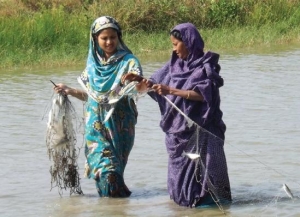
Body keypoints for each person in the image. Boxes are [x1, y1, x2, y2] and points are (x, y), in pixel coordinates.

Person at [122, 23, 231, 207]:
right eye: (172, 44)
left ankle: (211, 208)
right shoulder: (172, 66)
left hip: (203, 132)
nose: (174, 49)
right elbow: (155, 85)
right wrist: (140, 79)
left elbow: (204, 96)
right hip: (178, 135)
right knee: (181, 187)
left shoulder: (205, 67)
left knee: (208, 181)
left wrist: (171, 90)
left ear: (189, 42)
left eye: (175, 44)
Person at [54, 16, 143, 197]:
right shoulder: (92, 67)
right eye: (104, 38)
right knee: (106, 171)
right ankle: (114, 206)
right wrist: (69, 90)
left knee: (115, 172)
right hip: (95, 130)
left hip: (120, 128)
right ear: (95, 39)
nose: (109, 42)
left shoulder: (129, 63)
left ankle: (113, 206)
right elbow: (93, 98)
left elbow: (140, 89)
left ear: (119, 37)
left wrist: (136, 80)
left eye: (113, 37)